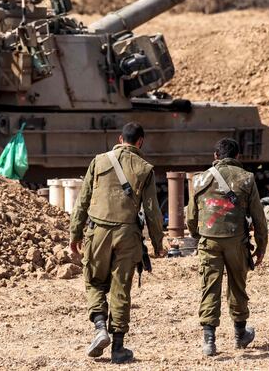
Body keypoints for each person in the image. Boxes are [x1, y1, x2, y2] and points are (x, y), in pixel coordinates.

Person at [69, 122, 166, 364]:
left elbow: (83, 200)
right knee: (121, 288)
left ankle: (100, 327)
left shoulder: (99, 160)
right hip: (127, 234)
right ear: (140, 142)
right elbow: (152, 211)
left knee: (93, 281)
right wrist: (157, 243)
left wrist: (75, 234)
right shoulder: (145, 168)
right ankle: (118, 349)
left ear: (120, 138)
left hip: (97, 231)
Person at [186, 137, 268, 356]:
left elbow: (191, 217)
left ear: (216, 156)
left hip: (208, 240)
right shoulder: (247, 179)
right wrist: (261, 247)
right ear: (237, 157)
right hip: (237, 241)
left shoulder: (200, 179)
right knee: (237, 287)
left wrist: (199, 235)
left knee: (209, 286)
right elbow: (259, 218)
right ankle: (240, 334)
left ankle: (209, 341)